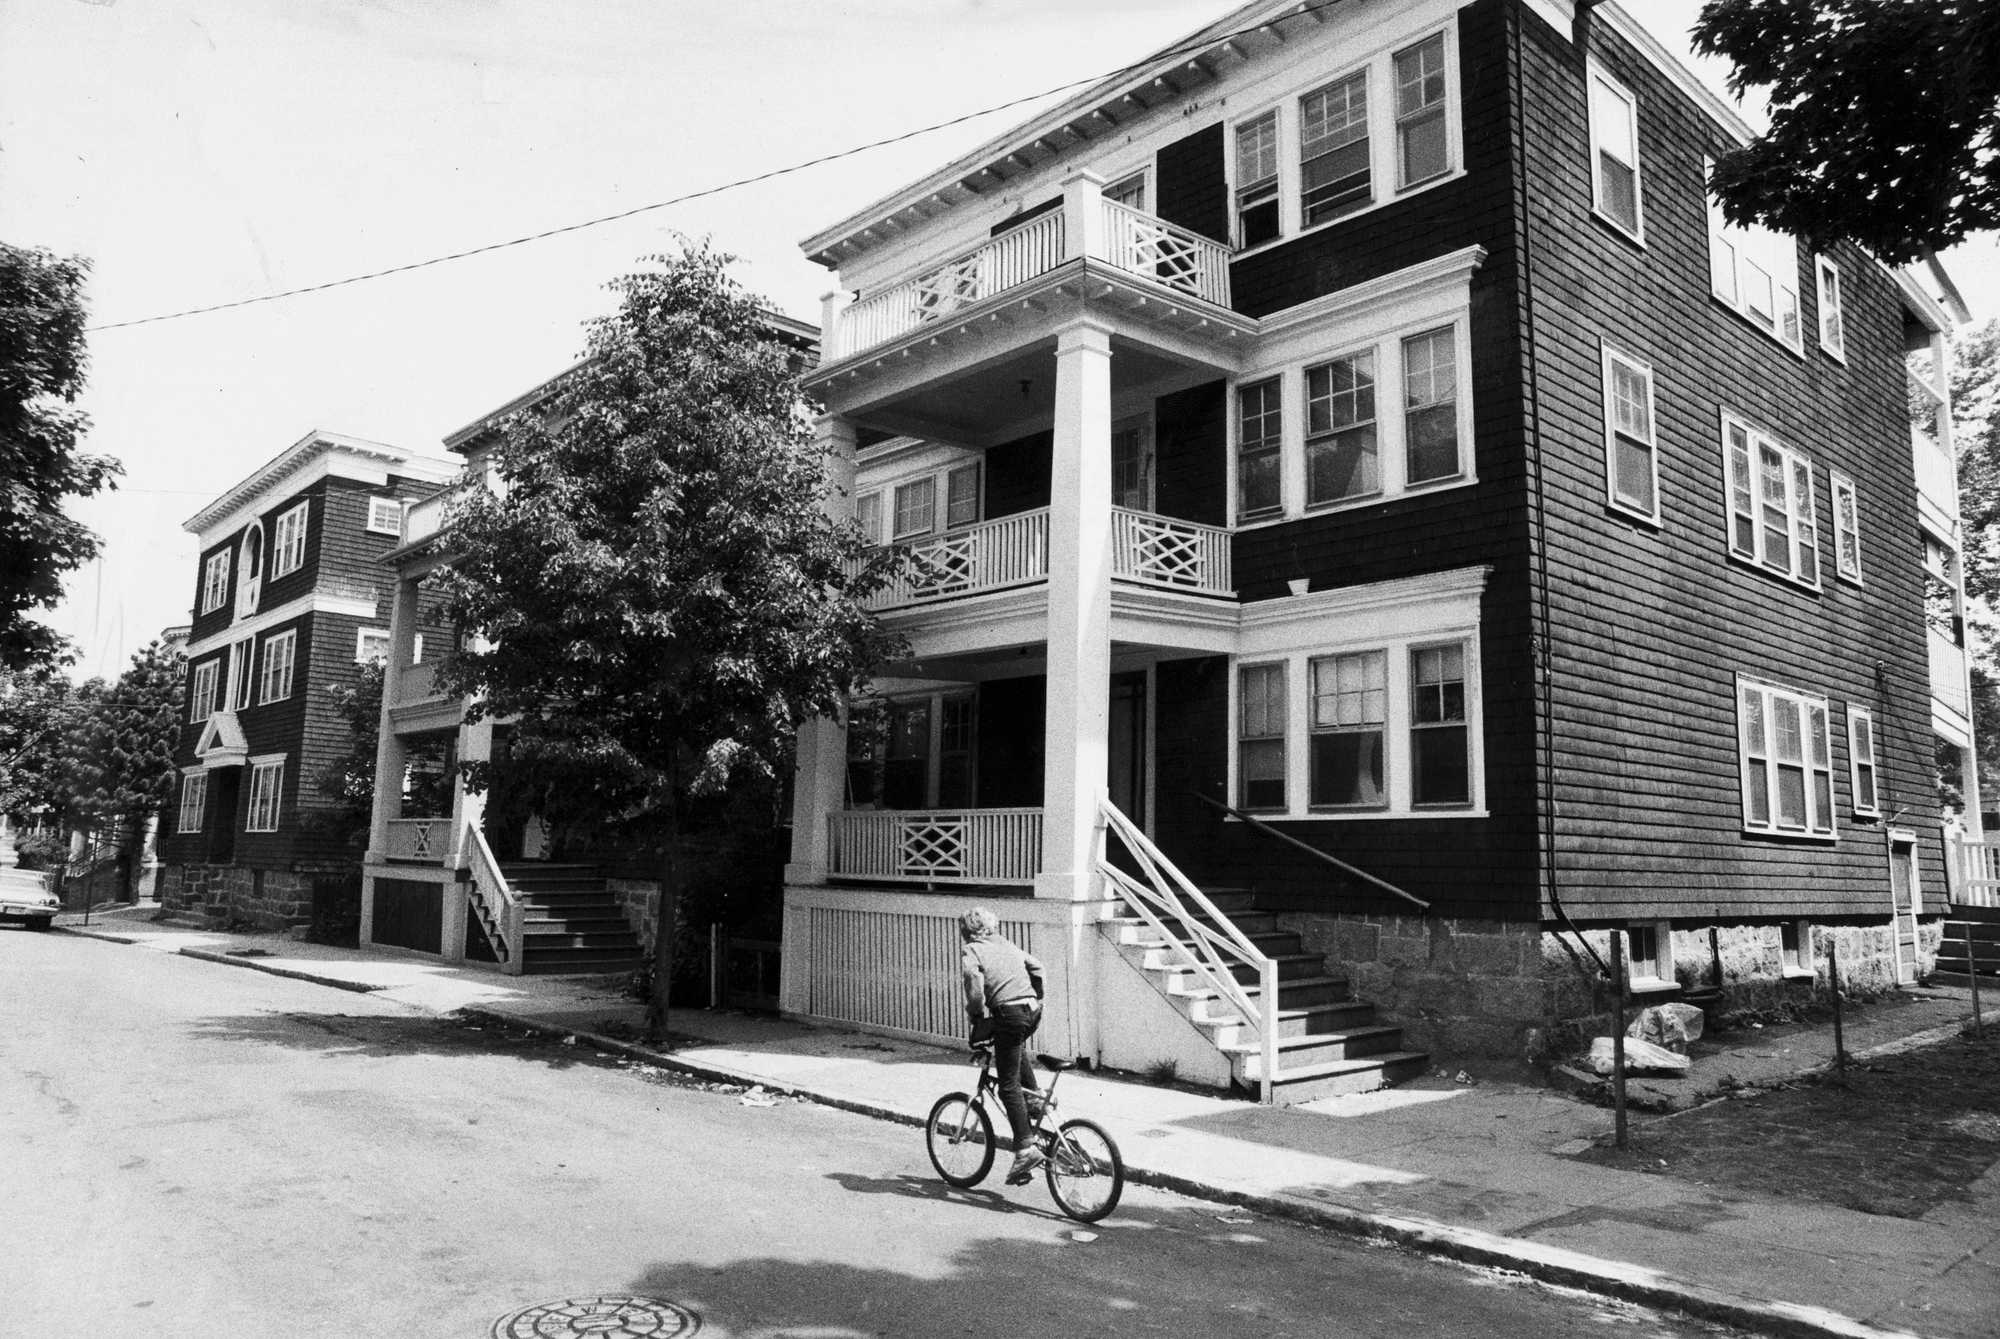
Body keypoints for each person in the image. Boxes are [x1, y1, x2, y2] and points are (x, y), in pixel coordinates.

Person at [958, 906, 1047, 1184]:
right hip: (1031, 1010)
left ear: (967, 930)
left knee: (1007, 1083)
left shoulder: (972, 949)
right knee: (1014, 1049)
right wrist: (1037, 996)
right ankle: (1033, 1098)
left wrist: (975, 1014)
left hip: (1008, 1013)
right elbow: (1038, 967)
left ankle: (1024, 1149)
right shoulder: (1006, 943)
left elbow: (973, 982)